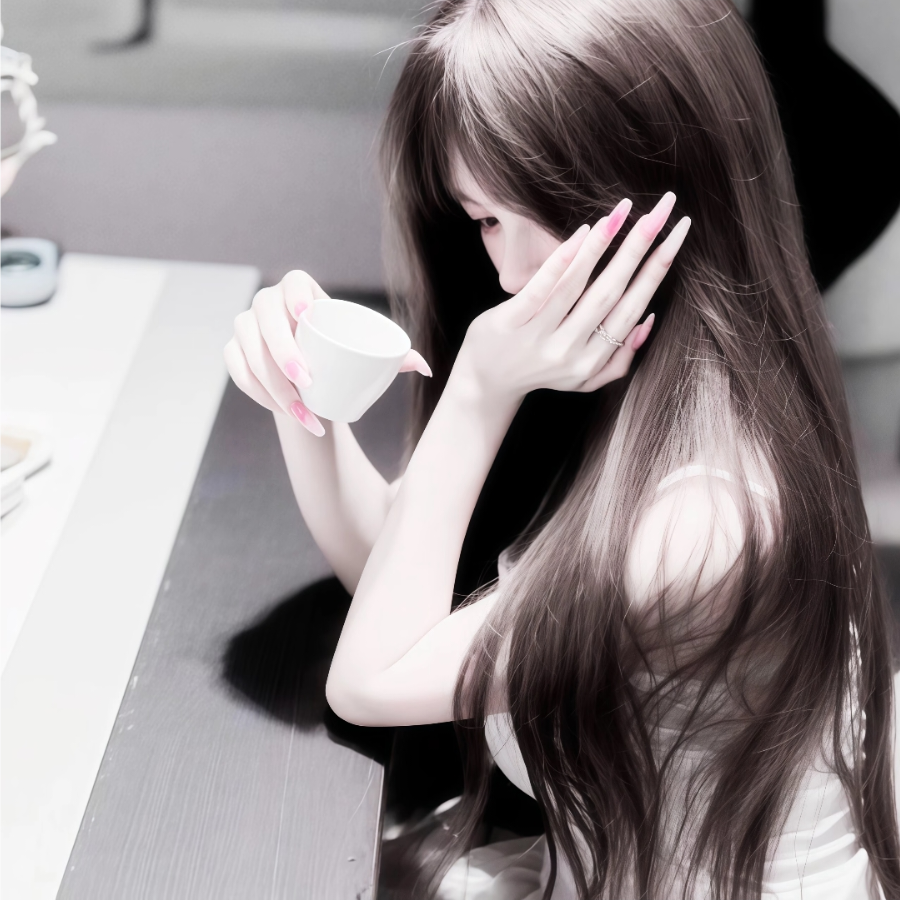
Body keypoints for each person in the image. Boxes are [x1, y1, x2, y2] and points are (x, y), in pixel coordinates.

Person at [222, 0, 900, 897]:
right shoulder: (627, 383)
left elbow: (373, 678)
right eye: (482, 220)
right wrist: (304, 390)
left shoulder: (708, 517)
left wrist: (478, 389)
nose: (504, 273)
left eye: (519, 214)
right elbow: (398, 584)